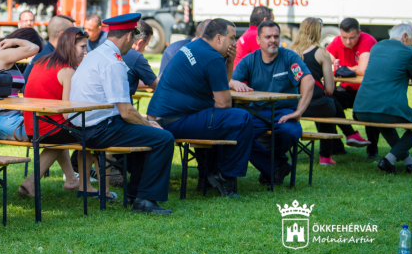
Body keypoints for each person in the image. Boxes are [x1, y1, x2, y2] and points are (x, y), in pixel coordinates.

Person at [70, 13, 176, 215]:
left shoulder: (94, 54)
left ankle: (135, 194)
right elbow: (126, 112)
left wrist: (142, 123)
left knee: (148, 137)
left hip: (80, 127)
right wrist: (149, 123)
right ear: (128, 36)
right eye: (134, 39)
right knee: (164, 138)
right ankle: (145, 200)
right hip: (98, 129)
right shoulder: (114, 62)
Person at [148, 18, 255, 197]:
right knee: (243, 119)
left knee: (227, 121)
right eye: (233, 38)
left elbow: (223, 85)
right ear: (219, 38)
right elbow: (224, 103)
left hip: (161, 117)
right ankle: (224, 177)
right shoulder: (212, 57)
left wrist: (230, 62)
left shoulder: (194, 46)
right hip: (172, 121)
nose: (235, 43)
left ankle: (210, 175)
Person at [231, 20, 315, 185]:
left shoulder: (289, 57)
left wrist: (298, 112)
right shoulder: (250, 60)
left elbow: (308, 80)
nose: (273, 40)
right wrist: (235, 83)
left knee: (289, 133)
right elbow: (229, 79)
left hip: (285, 111)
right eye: (268, 36)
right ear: (258, 40)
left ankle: (270, 167)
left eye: (276, 36)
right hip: (257, 112)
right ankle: (276, 166)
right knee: (239, 135)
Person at [21, 27, 92, 199]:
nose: (86, 52)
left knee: (62, 132)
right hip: (49, 128)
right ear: (70, 46)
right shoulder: (67, 71)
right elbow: (69, 114)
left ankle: (71, 179)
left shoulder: (41, 61)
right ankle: (87, 186)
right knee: (91, 135)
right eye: (82, 47)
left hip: (32, 125)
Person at [289, 18, 371, 166]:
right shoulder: (321, 53)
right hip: (315, 105)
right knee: (329, 104)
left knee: (329, 104)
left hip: (294, 105)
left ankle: (350, 135)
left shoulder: (290, 52)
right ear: (318, 32)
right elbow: (329, 88)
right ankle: (326, 155)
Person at [353, 23, 412, 174]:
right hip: (387, 108)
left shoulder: (376, 48)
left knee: (383, 123)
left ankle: (410, 162)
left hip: (361, 109)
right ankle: (389, 159)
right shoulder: (409, 52)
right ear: (405, 37)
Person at [326, 18, 380, 157]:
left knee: (371, 112)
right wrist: (332, 64)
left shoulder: (367, 40)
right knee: (326, 102)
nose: (348, 42)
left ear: (359, 33)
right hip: (347, 90)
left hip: (367, 91)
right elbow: (324, 61)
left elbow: (363, 69)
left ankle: (372, 151)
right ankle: (340, 143)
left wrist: (343, 69)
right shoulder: (337, 41)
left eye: (352, 38)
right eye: (345, 37)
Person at [0, 28, 42, 142]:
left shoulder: (5, 58)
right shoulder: (1, 55)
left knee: (55, 131)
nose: (28, 57)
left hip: (7, 120)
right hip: (1, 122)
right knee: (52, 133)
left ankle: (68, 161)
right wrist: (15, 40)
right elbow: (34, 48)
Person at [22, 14, 75, 82]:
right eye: (72, 34)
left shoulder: (45, 54)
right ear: (62, 35)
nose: (74, 38)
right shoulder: (51, 59)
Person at [124, 19, 158, 94]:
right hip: (123, 104)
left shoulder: (114, 49)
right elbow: (157, 86)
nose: (144, 50)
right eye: (145, 45)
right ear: (140, 42)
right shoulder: (136, 57)